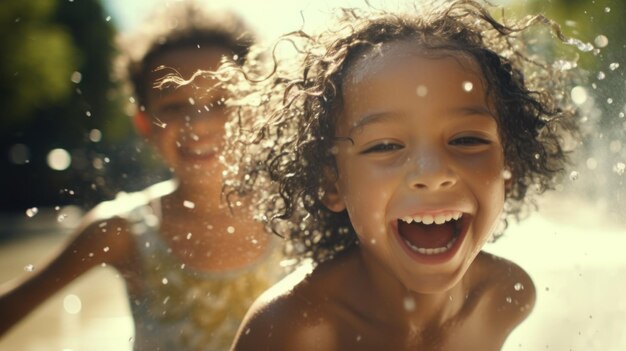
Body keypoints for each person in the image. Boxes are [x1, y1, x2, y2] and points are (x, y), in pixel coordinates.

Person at [222, 0, 581, 349]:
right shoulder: (292, 329)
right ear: (332, 182)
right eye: (384, 146)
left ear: (508, 168)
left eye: (467, 139)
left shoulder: (506, 296)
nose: (432, 172)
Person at [0, 2, 282, 350]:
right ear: (144, 124)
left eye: (222, 101)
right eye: (174, 106)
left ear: (257, 110)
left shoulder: (295, 215)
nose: (199, 124)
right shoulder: (122, 230)